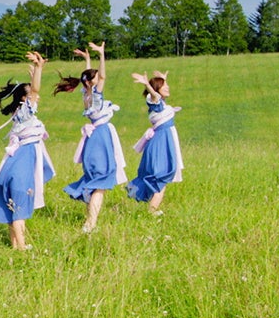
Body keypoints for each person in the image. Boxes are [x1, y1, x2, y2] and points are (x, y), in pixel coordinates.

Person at [0, 52, 55, 251]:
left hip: (13, 161)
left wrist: (34, 73)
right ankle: (22, 248)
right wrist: (39, 69)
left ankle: (16, 244)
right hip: (22, 160)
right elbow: (36, 90)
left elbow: (33, 90)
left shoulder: (19, 113)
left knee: (14, 205)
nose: (37, 97)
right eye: (31, 95)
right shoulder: (25, 110)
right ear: (25, 98)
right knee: (20, 205)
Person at [55, 42, 127, 233]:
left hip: (92, 139)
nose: (98, 80)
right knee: (102, 182)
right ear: (90, 82)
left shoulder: (85, 94)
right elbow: (101, 75)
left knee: (96, 180)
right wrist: (101, 55)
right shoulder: (95, 95)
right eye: (94, 79)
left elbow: (89, 76)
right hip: (101, 137)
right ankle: (90, 223)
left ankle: (90, 221)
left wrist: (87, 59)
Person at [126, 71, 183, 216]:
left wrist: (163, 79)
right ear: (157, 90)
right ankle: (152, 211)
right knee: (162, 176)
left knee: (162, 175)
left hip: (164, 140)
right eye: (165, 86)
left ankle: (152, 208)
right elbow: (154, 96)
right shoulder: (155, 102)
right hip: (161, 142)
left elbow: (158, 96)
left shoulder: (161, 103)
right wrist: (148, 85)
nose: (168, 87)